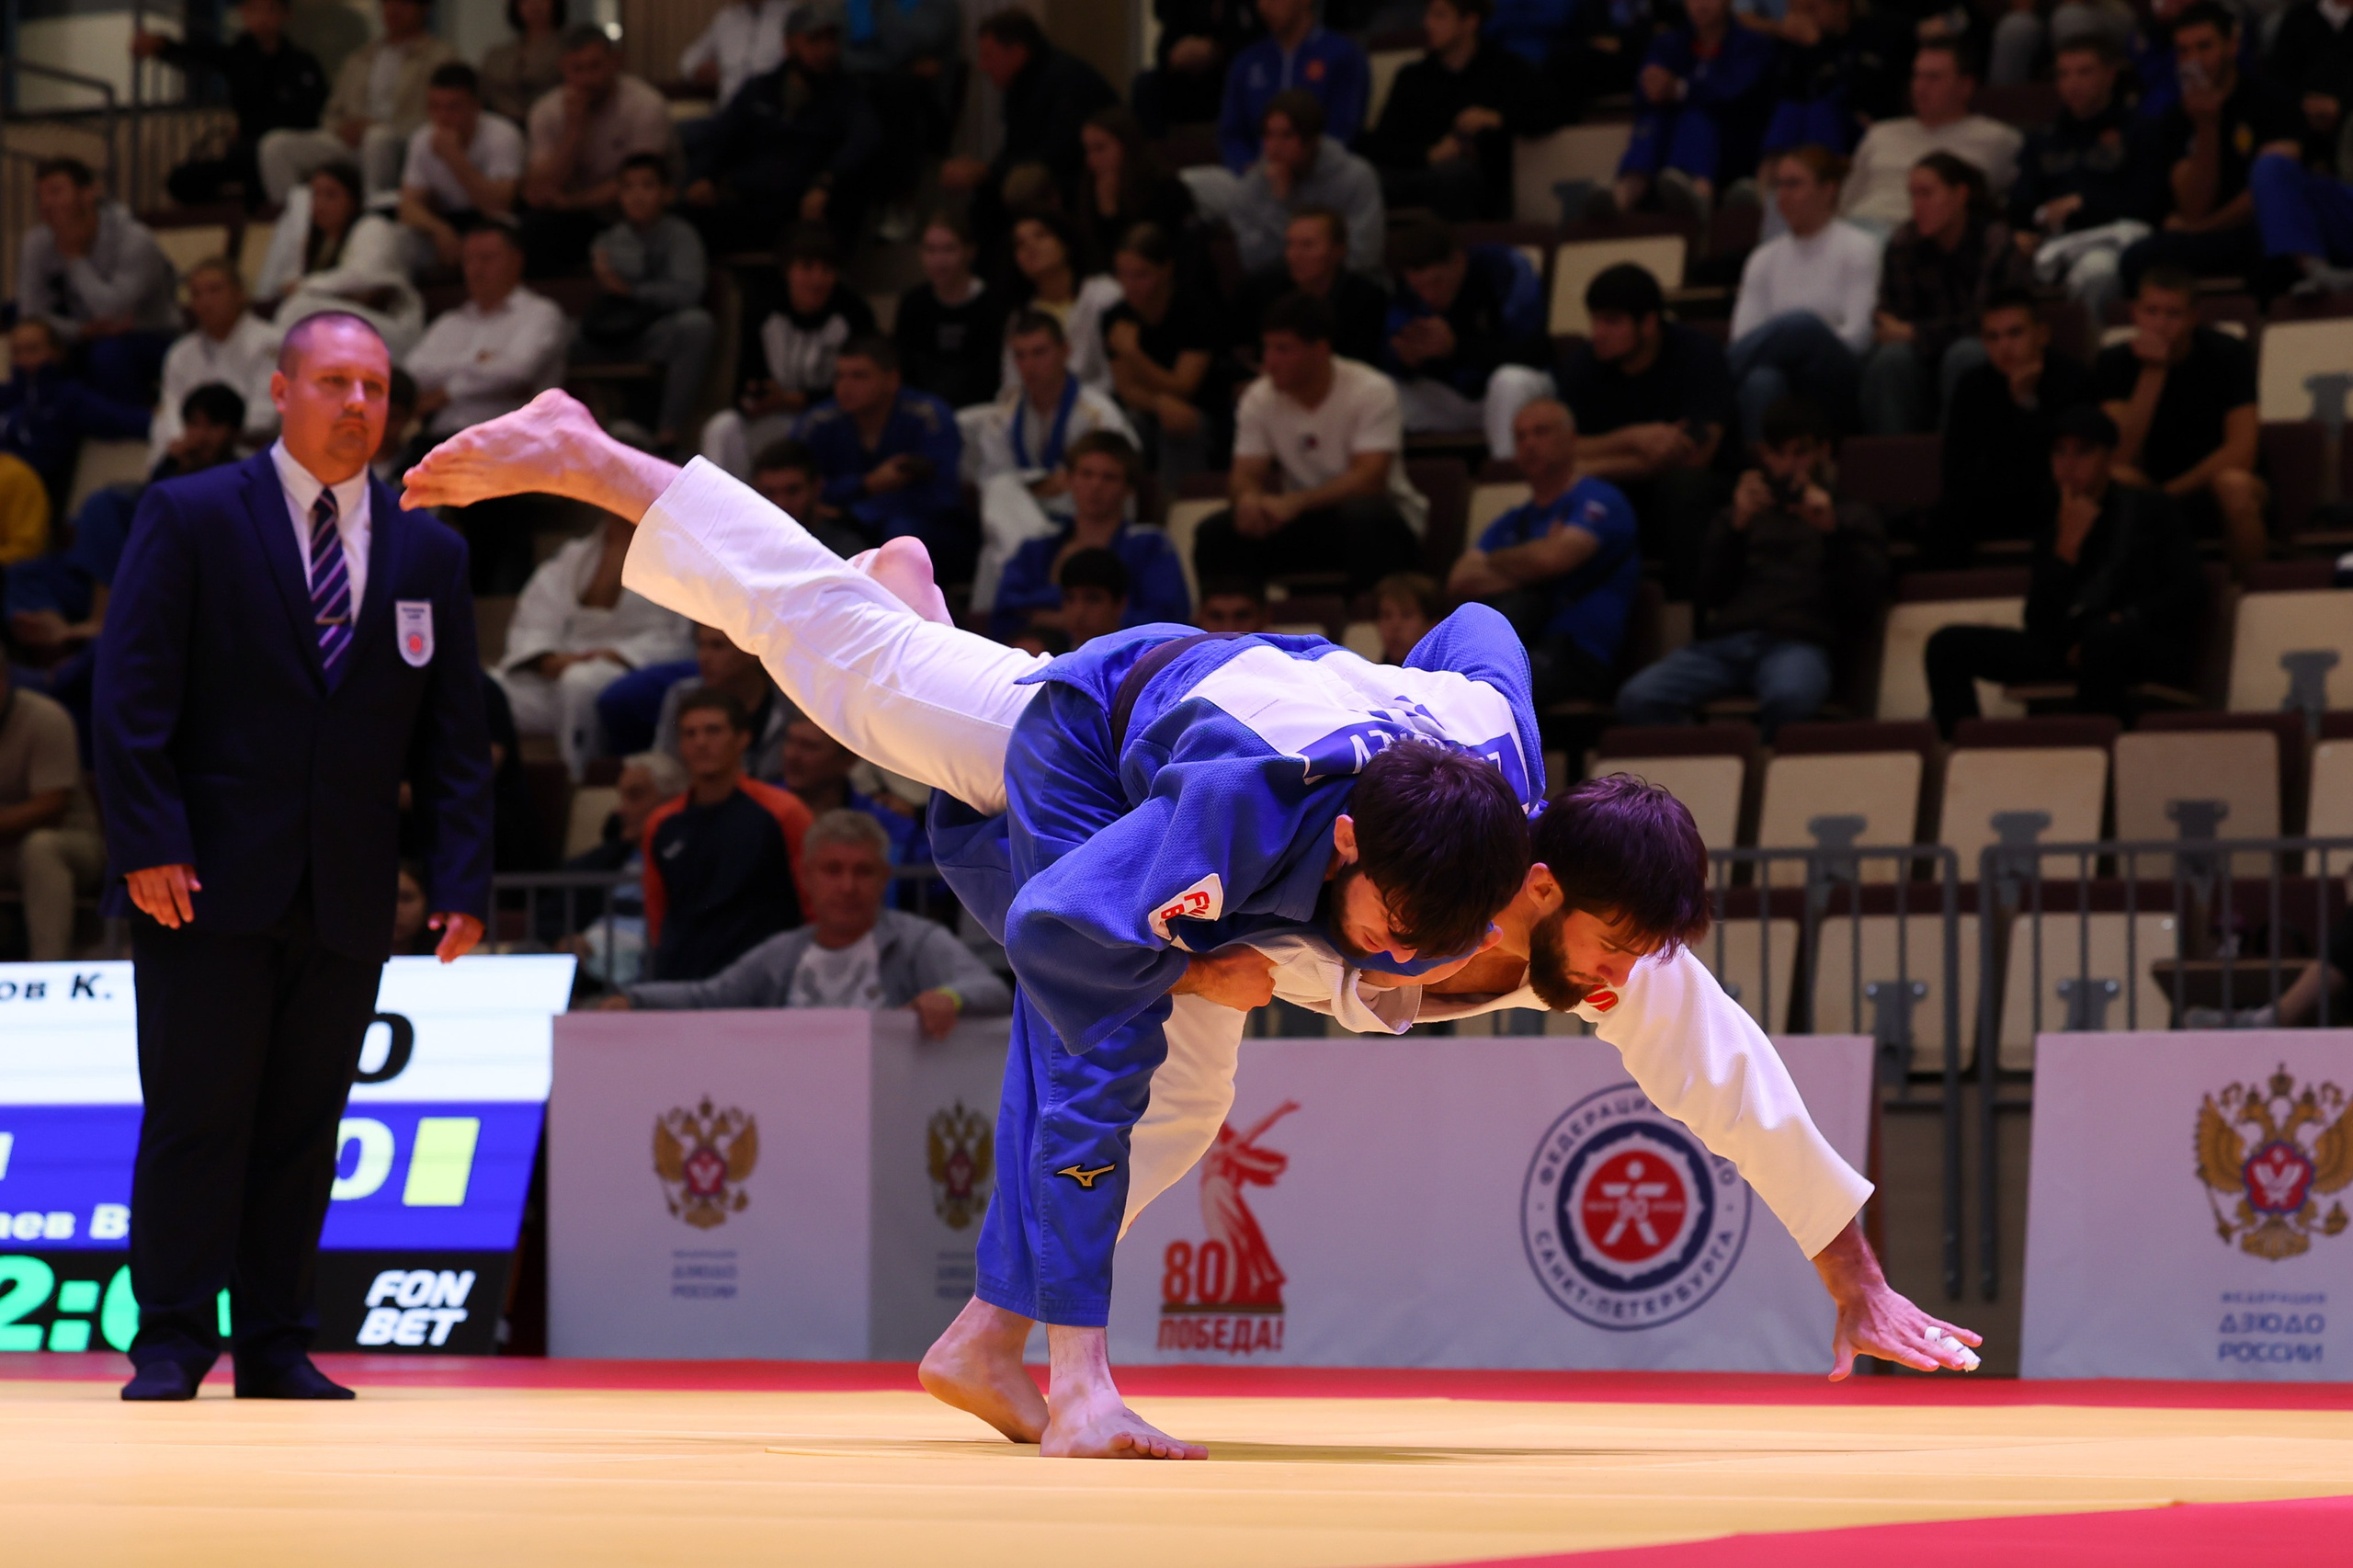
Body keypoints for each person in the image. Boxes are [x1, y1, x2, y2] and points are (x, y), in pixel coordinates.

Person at [401, 395, 1980, 1455]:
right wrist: (1197, 947)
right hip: (1117, 734)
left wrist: (1852, 1279)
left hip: (1297, 779)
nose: (1629, 984)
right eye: (1612, 956)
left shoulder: (1574, 886)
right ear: (1532, 893)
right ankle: (600, 456)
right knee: (875, 708)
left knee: (1194, 1076)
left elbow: (1487, 638)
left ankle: (984, 1335)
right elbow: (1077, 953)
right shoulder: (1267, 808)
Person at [97, 311, 490, 1403]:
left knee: (305, 1123)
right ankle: (173, 1337)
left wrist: (459, 880)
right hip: (203, 878)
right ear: (281, 390)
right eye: (333, 383)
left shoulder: (429, 548)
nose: (356, 404)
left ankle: (274, 1339)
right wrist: (149, 841)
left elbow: (456, 738)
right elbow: (129, 700)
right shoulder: (190, 513)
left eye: (373, 387)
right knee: (195, 1111)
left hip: (348, 884)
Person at [1616, 397, 1887, 737]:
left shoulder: (1851, 515)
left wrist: (1832, 533)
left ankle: (1760, 778)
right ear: (1764, 455)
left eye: (1801, 452)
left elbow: (1864, 601)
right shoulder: (1741, 513)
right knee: (1638, 697)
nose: (1790, 466)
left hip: (1798, 642)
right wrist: (1736, 529)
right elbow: (1708, 594)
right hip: (1725, 644)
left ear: (1824, 451)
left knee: (1790, 698)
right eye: (1778, 453)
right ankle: (1714, 771)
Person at [1924, 404, 2202, 731]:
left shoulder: (2150, 509)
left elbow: (2191, 589)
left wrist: (2125, 618)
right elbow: (2038, 623)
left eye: (2083, 453)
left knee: (2103, 642)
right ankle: (1966, 753)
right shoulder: (2052, 519)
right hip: (2070, 647)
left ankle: (2096, 752)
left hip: (2138, 642)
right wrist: (2065, 551)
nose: (2069, 465)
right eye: (2060, 453)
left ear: (2108, 458)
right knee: (1946, 645)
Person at [607, 808, 1008, 1030]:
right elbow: (711, 998)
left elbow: (991, 989)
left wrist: (950, 998)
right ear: (807, 878)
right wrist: (634, 999)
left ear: (884, 878)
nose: (847, 886)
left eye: (863, 871)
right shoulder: (784, 953)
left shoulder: (917, 942)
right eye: (832, 871)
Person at [1194, 292, 1427, 597]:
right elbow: (1244, 474)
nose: (1269, 362)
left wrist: (1297, 502)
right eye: (1267, 348)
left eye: (1283, 349)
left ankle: (1370, 629)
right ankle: (1234, 635)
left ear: (1320, 349)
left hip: (1383, 518)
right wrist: (1248, 498)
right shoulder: (1259, 398)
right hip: (1303, 520)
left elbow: (1370, 479)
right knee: (1217, 533)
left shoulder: (1371, 390)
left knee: (1364, 518)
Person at [7, 382, 247, 657]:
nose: (200, 437)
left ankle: (99, 623)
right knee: (24, 573)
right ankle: (58, 632)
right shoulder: (176, 466)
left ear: (234, 432)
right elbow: (147, 511)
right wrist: (170, 464)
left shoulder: (242, 477)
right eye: (193, 425)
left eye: (213, 426)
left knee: (107, 501)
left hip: (167, 579)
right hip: (118, 571)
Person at [1449, 397, 1642, 706]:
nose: (1530, 444)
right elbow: (1461, 579)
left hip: (1579, 653)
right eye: (1521, 436)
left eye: (1541, 432)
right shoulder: (1514, 520)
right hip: (1522, 647)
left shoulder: (1601, 500)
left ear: (1572, 440)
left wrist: (1501, 562)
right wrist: (1533, 562)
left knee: (1485, 698)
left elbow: (1552, 560)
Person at [1552, 263, 1732, 592]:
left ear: (1648, 323)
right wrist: (1634, 438)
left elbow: (1697, 455)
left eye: (1612, 321)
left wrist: (1592, 466)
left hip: (1694, 494)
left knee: (1685, 486)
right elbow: (1561, 446)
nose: (1598, 333)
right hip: (1621, 490)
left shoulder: (1697, 355)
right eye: (1595, 320)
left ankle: (1689, 613)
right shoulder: (1584, 365)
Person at [2097, 264, 2266, 577]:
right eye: (2151, 311)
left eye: (2173, 314)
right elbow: (2120, 455)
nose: (2160, 324)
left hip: (2211, 484)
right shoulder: (2113, 363)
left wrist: (2170, 494)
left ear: (2193, 316)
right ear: (2135, 312)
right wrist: (2153, 374)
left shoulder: (2228, 354)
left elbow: (2242, 451)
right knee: (2116, 479)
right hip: (2150, 489)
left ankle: (2253, 592)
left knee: (2234, 486)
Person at [495, 509, 694, 777]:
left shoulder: (676, 558)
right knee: (488, 689)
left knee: (579, 682)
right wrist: (547, 659)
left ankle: (578, 779)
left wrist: (614, 655)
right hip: (559, 669)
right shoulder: (575, 555)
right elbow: (538, 616)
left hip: (624, 670)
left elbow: (678, 637)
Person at [2120, 2, 2302, 289]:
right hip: (2205, 237)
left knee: (2276, 254)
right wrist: (2207, 126)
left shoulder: (2272, 100)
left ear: (2232, 45)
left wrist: (2200, 229)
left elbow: (2269, 193)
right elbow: (2193, 206)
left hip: (2253, 230)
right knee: (2136, 259)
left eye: (2204, 47)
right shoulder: (2173, 117)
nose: (2195, 60)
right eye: (2184, 51)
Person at [967, 312, 1139, 611]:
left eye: (1039, 352)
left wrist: (1038, 484)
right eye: (1020, 356)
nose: (1030, 365)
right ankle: (991, 622)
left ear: (1065, 351)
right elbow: (994, 482)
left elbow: (1122, 472)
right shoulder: (1003, 416)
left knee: (998, 540)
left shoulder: (1098, 413)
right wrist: (1044, 483)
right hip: (1026, 519)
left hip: (1087, 516)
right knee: (998, 496)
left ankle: (1024, 578)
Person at [641, 688, 813, 983]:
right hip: (684, 982)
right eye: (690, 734)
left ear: (743, 738)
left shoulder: (784, 812)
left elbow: (811, 902)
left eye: (713, 730)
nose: (701, 743)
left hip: (764, 984)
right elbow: (658, 916)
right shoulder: (661, 823)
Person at [682, 1, 882, 252]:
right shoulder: (760, 89)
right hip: (751, 202)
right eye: (814, 40)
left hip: (809, 208)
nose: (825, 50)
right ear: (789, 45)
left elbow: (864, 139)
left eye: (831, 40)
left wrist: (827, 182)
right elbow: (722, 135)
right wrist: (702, 176)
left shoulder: (847, 94)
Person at [1862, 152, 2035, 434]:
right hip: (1920, 365)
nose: (1917, 205)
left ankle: (1955, 460)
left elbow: (1991, 324)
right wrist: (1914, 334)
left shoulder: (1993, 240)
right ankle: (1898, 465)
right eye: (1913, 195)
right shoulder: (1903, 242)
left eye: (1927, 194)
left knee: (1965, 354)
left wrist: (1917, 333)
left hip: (1983, 353)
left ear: (1960, 195)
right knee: (1890, 359)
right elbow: (1889, 323)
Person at [2007, 36, 2165, 331]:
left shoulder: (2140, 130)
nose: (2072, 83)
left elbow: (2149, 202)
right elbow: (2021, 202)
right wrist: (2025, 229)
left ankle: (2091, 362)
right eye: (2064, 74)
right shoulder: (2043, 138)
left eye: (2084, 72)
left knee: (2097, 272)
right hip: (2053, 242)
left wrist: (2083, 203)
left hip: (2115, 240)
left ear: (2109, 74)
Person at [1726, 144, 1878, 441]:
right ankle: (1769, 475)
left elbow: (1858, 338)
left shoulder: (1859, 246)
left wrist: (1801, 342)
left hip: (1837, 374)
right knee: (1761, 380)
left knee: (1803, 324)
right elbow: (1743, 338)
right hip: (1783, 378)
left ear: (1828, 190)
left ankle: (1712, 379)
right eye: (1778, 184)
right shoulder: (1763, 258)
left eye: (1794, 184)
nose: (1782, 195)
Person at [702, 226, 879, 478]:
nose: (817, 280)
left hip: (836, 421)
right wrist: (755, 401)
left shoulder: (854, 313)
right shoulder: (762, 310)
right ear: (788, 271)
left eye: (827, 270)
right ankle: (720, 512)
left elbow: (864, 389)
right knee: (722, 427)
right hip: (777, 418)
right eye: (807, 268)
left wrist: (793, 400)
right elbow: (743, 385)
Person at [1933, 289, 2097, 562]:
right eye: (1993, 338)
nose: (2004, 347)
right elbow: (1956, 469)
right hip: (1993, 499)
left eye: (2015, 334)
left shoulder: (2073, 378)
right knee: (1944, 516)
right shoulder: (1972, 386)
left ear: (2041, 335)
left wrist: (2025, 402)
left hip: (2052, 496)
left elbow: (2068, 463)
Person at [938, 10, 1120, 249]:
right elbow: (1018, 148)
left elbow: (1060, 156)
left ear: (1017, 52)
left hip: (1079, 184)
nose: (982, 66)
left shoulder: (1069, 83)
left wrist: (987, 171)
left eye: (988, 56)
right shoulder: (1022, 85)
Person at [571, 154, 714, 454]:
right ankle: (569, 442)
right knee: (557, 333)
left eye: (647, 186)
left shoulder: (680, 235)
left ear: (666, 192)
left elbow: (688, 292)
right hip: (610, 336)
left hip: (655, 334)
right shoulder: (609, 238)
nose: (637, 196)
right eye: (628, 187)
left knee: (696, 325)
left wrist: (632, 290)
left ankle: (668, 434)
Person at [1379, 216, 1553, 459]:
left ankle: (1505, 475)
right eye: (1420, 287)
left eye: (1437, 282)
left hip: (1517, 391)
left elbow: (1534, 351)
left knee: (1509, 382)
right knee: (1379, 391)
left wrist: (1457, 347)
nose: (1428, 295)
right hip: (1453, 399)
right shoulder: (1407, 293)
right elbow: (1389, 352)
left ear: (1459, 260)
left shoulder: (1502, 267)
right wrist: (1404, 360)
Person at [990, 431, 1190, 639]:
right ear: (1069, 480)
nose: (1096, 486)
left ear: (1129, 489)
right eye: (1086, 474)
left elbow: (1169, 624)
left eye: (1109, 478)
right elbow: (1004, 615)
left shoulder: (1150, 547)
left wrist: (1048, 616)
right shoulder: (1035, 550)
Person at [16, 158, 180, 406]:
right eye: (40, 196)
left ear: (88, 193)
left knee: (108, 354)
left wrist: (74, 258)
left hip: (150, 334)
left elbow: (112, 314)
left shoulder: (135, 239)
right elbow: (30, 316)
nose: (47, 203)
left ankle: (132, 429)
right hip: (83, 334)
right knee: (30, 351)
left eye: (56, 192)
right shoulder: (37, 242)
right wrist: (79, 331)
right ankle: (37, 435)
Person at [790, 337, 966, 569]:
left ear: (892, 380)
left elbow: (943, 494)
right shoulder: (817, 423)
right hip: (837, 524)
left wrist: (857, 512)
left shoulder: (928, 417)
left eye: (859, 376)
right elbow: (795, 482)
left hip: (921, 530)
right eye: (839, 376)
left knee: (902, 535)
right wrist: (866, 485)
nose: (845, 386)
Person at [132, 0, 328, 209]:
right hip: (247, 152)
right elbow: (200, 54)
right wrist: (162, 45)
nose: (262, 18)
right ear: (243, 14)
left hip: (289, 148)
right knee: (183, 180)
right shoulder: (238, 57)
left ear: (285, 15)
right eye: (254, 10)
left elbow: (314, 112)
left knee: (271, 161)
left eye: (270, 10)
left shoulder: (303, 62)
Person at [255, 0, 456, 202]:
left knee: (377, 137)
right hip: (350, 141)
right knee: (275, 145)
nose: (393, 10)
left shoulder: (439, 57)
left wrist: (377, 126)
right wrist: (342, 128)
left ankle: (374, 210)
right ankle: (298, 217)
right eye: (387, 4)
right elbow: (330, 112)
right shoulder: (361, 57)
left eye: (402, 4)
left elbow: (440, 116)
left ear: (424, 8)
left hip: (400, 141)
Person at [1362, 0, 1541, 222]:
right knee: (1362, 177)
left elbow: (1546, 113)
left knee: (1455, 176)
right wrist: (1429, 154)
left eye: (1440, 16)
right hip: (1415, 171)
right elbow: (1383, 143)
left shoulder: (1507, 70)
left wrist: (1497, 119)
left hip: (1481, 184)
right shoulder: (1412, 77)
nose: (1427, 24)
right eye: (1428, 15)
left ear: (1469, 22)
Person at [520, 25, 676, 276]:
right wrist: (574, 131)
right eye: (577, 69)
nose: (587, 79)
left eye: (595, 67)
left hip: (632, 210)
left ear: (615, 62)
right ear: (563, 69)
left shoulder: (645, 104)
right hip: (577, 217)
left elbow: (642, 181)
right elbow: (539, 189)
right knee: (534, 230)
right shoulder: (545, 111)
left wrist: (572, 202)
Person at [1611, 0, 1775, 225]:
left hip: (1733, 146)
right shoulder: (1668, 42)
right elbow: (1642, 99)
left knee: (1697, 118)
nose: (1701, 4)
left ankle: (1700, 197)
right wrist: (1652, 86)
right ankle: (1621, 198)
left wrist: (1680, 89)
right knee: (1652, 122)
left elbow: (1734, 96)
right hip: (1669, 145)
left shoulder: (1753, 44)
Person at [403, 220, 567, 441]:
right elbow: (413, 373)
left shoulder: (540, 314)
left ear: (516, 261)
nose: (475, 270)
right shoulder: (451, 322)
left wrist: (445, 392)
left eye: (487, 259)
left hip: (515, 441)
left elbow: (516, 373)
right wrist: (478, 361)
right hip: (440, 440)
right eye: (468, 260)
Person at [1838, 39, 2022, 235]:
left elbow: (2011, 206)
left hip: (1925, 240)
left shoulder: (1998, 139)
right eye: (1917, 76)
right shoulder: (1880, 133)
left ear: (1965, 86)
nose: (1920, 87)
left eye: (1933, 77)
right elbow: (1845, 203)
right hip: (1860, 229)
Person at [256, 163, 426, 357]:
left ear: (352, 199)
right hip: (348, 333)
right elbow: (287, 282)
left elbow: (362, 278)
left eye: (330, 195)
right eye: (315, 196)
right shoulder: (318, 243)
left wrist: (304, 285)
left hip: (393, 331)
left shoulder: (373, 227)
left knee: (300, 308)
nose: (320, 203)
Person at [1100, 222, 1223, 484]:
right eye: (1122, 275)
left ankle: (1177, 510)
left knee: (1179, 424)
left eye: (1141, 275)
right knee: (1121, 424)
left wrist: (1134, 355)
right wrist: (1157, 404)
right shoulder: (1115, 317)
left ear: (1166, 269)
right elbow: (1126, 389)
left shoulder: (1196, 310)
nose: (1130, 285)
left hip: (1204, 408)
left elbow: (1184, 388)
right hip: (1148, 407)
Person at [0, 660, 104, 961]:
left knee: (40, 848)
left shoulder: (44, 718)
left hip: (71, 842)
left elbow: (52, 807)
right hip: (5, 851)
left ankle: (46, 974)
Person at [0, 318, 152, 521]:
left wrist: (163, 416)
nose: (24, 360)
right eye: (17, 352)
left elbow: (125, 420)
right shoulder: (6, 396)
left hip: (30, 498)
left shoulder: (69, 397)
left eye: (33, 350)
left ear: (56, 352)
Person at [1226, 92, 1388, 278]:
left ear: (1313, 139)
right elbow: (1253, 260)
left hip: (1348, 285)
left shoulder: (1356, 177)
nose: (1274, 146)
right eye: (1268, 135)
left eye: (1286, 135)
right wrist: (1278, 203)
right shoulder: (1254, 184)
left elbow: (1365, 254)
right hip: (1283, 287)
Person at [150, 259, 280, 471]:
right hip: (189, 460)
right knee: (110, 500)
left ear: (240, 294)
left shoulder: (272, 343)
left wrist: (206, 437)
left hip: (246, 459)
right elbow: (170, 411)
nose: (205, 301)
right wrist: (186, 444)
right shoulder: (180, 353)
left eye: (214, 290)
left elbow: (266, 415)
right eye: (196, 294)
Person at [395, 62, 525, 274]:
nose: (443, 117)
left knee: (506, 231)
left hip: (488, 222)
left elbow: (499, 206)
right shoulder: (422, 139)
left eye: (453, 107)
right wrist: (439, 229)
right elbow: (407, 205)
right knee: (395, 236)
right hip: (446, 222)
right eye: (435, 107)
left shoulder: (502, 135)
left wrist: (454, 157)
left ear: (475, 105)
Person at [1217, 0, 1371, 172]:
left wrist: (1299, 167)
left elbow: (1343, 129)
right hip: (1256, 178)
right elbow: (1231, 133)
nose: (1264, 6)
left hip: (1323, 176)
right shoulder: (1246, 62)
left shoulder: (1343, 55)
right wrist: (1250, 168)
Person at [1232, 207, 1392, 371]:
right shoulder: (1259, 289)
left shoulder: (1366, 298)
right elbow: (1240, 352)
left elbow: (1363, 363)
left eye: (1307, 245)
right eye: (1290, 244)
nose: (1294, 255)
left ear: (1338, 251)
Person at [895, 212, 1010, 413]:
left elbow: (997, 375)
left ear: (970, 251)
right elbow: (904, 370)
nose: (939, 260)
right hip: (924, 414)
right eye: (930, 250)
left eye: (949, 249)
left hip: (983, 414)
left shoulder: (994, 304)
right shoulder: (913, 304)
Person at [1001, 213, 1126, 397]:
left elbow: (1115, 375)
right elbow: (1011, 384)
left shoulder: (1104, 294)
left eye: (1041, 236)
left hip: (1100, 406)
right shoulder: (1020, 316)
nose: (1030, 247)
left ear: (1066, 244)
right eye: (1020, 244)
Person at [1073, 108, 1199, 278]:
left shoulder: (1165, 188)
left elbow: (1151, 251)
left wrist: (1110, 214)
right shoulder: (1091, 187)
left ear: (1127, 146)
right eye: (1087, 150)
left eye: (1100, 148)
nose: (1091, 160)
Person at [1135, 0, 1266, 131]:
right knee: (1146, 86)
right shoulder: (1186, 8)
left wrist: (1216, 50)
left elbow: (1255, 42)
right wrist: (1175, 55)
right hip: (1187, 81)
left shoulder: (1246, 9)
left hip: (1229, 75)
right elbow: (1165, 47)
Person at [677, 0, 793, 110]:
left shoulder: (791, 17)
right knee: (679, 127)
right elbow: (689, 60)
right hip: (728, 113)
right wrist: (698, 71)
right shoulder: (727, 19)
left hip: (771, 114)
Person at [481, 0, 568, 125]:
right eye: (525, 1)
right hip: (504, 125)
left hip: (552, 123)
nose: (534, 5)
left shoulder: (568, 49)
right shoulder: (498, 55)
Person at [1370, 571, 1445, 664]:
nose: (1395, 625)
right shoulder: (1368, 675)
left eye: (1407, 615)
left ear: (1433, 625)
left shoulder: (1450, 676)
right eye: (1387, 616)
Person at [1197, 576, 1272, 632]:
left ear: (1265, 618)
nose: (1229, 629)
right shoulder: (1186, 651)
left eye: (1242, 616)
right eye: (1216, 617)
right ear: (1198, 617)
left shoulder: (1280, 652)